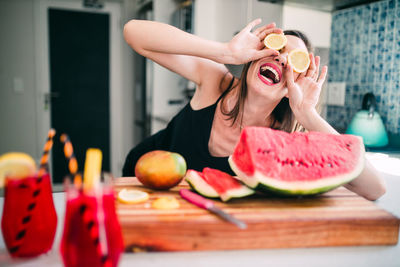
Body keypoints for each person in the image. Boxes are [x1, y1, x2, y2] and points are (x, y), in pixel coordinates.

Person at [122, 18, 386, 200]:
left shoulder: (286, 140)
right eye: (275, 48)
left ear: (296, 82)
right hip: (139, 181)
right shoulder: (216, 82)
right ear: (254, 56)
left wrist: (307, 113)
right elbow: (134, 33)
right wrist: (225, 52)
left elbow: (374, 188)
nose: (281, 58)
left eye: (294, 60)